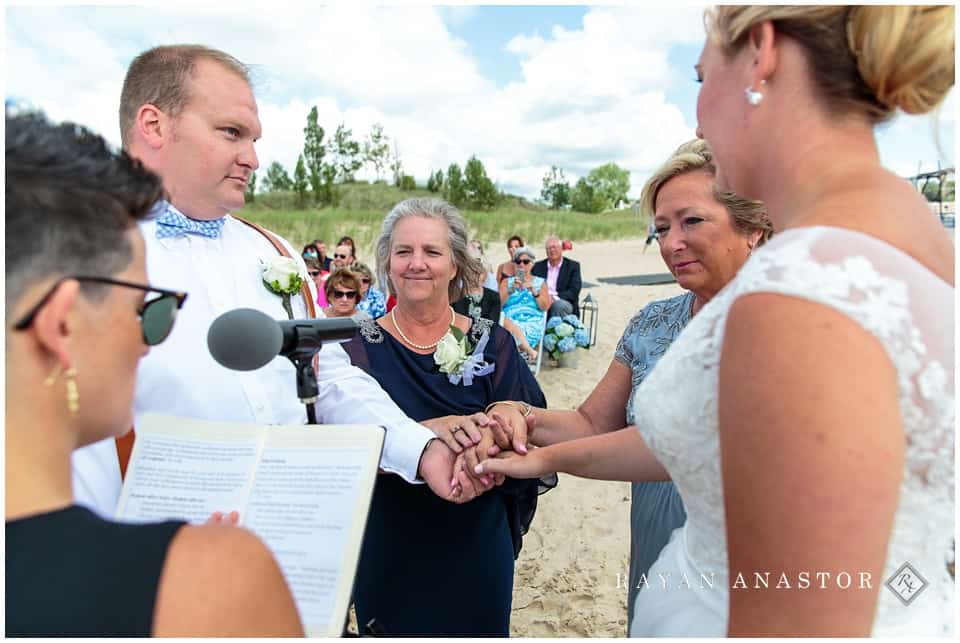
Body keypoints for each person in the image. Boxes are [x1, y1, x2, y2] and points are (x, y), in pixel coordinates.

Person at [494, 5, 955, 636]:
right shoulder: (909, 235)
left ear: (761, 54)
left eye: (698, 77)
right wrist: (541, 452)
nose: (698, 114)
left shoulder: (797, 292)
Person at [72, 44, 501, 524]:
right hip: (151, 561)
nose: (252, 158)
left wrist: (420, 451)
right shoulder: (76, 259)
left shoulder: (274, 251)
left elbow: (330, 377)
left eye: (254, 139)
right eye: (232, 133)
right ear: (154, 125)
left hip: (291, 541)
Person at [6, 110, 303, 636]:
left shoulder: (266, 247)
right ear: (62, 326)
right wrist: (203, 572)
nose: (151, 345)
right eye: (150, 311)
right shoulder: (214, 579)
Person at [479, 138, 771, 631]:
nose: (671, 242)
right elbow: (592, 423)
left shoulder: (786, 326)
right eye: (660, 229)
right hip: (655, 527)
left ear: (754, 228)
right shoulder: (650, 323)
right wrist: (517, 414)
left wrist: (543, 459)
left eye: (691, 221)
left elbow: (685, 443)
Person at [343, 197, 551, 636]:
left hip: (475, 536)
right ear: (387, 262)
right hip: (388, 537)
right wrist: (422, 434)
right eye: (404, 251)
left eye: (432, 252)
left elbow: (529, 438)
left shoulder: (490, 342)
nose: (417, 264)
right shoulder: (354, 346)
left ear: (455, 265)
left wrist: (488, 439)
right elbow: (340, 441)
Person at [500, 246, 551, 355]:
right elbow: (499, 304)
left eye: (526, 262)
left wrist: (534, 291)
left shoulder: (540, 283)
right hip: (510, 318)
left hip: (532, 321)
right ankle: (528, 351)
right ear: (514, 264)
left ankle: (518, 356)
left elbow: (545, 307)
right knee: (506, 326)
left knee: (510, 335)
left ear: (532, 264)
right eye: (518, 262)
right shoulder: (506, 282)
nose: (521, 265)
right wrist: (511, 290)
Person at [532, 235, 582, 318]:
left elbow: (574, 291)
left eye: (554, 247)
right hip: (541, 299)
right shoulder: (538, 266)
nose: (552, 250)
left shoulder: (572, 266)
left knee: (558, 306)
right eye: (549, 248)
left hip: (562, 301)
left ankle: (553, 330)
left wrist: (554, 298)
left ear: (561, 249)